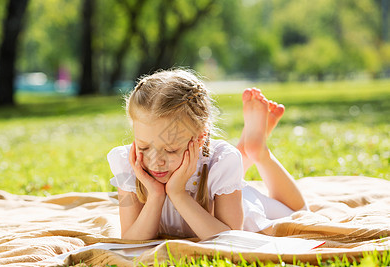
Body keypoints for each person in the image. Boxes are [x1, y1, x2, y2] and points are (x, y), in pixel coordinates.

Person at [107, 69, 307, 240]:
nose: (155, 161)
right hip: (216, 179)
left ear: (200, 138)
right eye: (143, 147)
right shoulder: (128, 163)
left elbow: (229, 240)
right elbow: (130, 241)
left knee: (299, 212)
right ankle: (246, 151)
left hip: (238, 203)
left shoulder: (223, 162)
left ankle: (258, 152)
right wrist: (156, 196)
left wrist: (178, 194)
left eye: (171, 150)